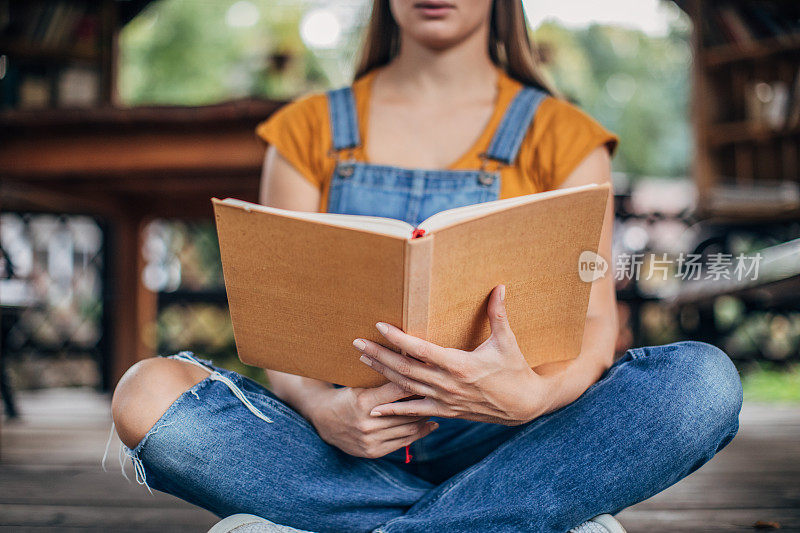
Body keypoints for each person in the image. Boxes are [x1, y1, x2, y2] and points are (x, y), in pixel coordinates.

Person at [110, 1, 743, 532]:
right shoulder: (306, 131)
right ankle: (495, 520)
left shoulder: (565, 136)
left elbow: (597, 327)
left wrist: (531, 398)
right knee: (146, 394)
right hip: (340, 442)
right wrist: (325, 411)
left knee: (703, 384)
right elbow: (280, 327)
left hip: (518, 442)